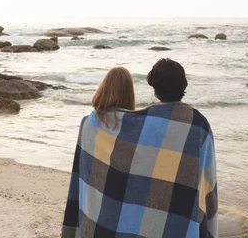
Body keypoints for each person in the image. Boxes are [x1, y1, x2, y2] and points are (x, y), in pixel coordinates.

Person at [62, 59, 218, 238]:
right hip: (173, 221)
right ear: (183, 85)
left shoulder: (95, 124)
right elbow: (207, 185)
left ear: (155, 88)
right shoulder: (197, 126)